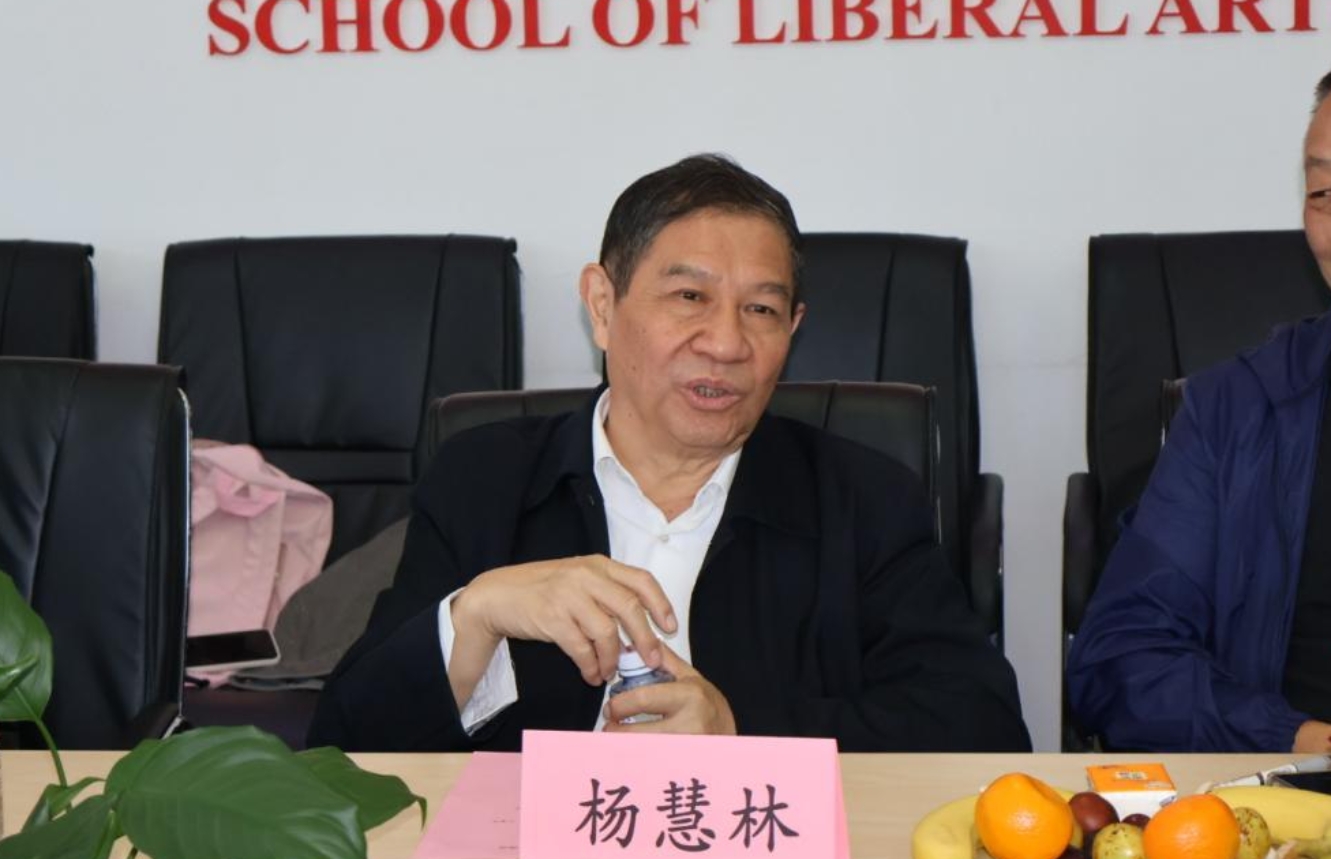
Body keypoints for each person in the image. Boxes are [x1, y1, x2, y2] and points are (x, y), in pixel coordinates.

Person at [309, 154, 1030, 753]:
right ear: (601, 305)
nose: (726, 343)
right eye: (689, 296)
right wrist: (477, 614)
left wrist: (741, 730)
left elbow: (984, 730)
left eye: (761, 309)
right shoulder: (484, 479)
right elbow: (343, 743)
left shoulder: (865, 498)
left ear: (793, 328)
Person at [1067, 71, 1331, 752]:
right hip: (1289, 792)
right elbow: (1122, 655)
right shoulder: (1238, 410)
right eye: (1324, 194)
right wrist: (1297, 738)